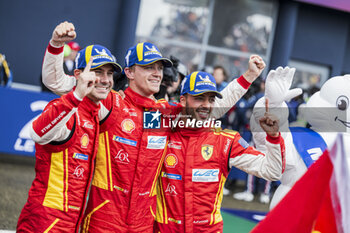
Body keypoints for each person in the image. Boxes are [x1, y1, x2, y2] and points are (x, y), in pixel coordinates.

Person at [42, 21, 265, 233]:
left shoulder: (161, 115)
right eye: (149, 67)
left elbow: (209, 110)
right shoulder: (111, 103)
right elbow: (56, 83)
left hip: (144, 223)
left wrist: (247, 77)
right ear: (129, 72)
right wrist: (56, 46)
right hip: (105, 218)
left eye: (159, 67)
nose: (157, 73)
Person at [154, 71, 286, 233]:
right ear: (182, 100)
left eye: (211, 99)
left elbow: (272, 171)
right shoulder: (163, 132)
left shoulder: (226, 141)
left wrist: (273, 138)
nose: (207, 105)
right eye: (199, 98)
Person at [17, 44, 122, 232]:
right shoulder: (65, 107)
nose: (105, 80)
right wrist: (76, 95)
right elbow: (37, 133)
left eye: (109, 74)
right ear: (78, 74)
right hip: (46, 222)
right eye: (98, 72)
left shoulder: (94, 113)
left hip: (72, 222)